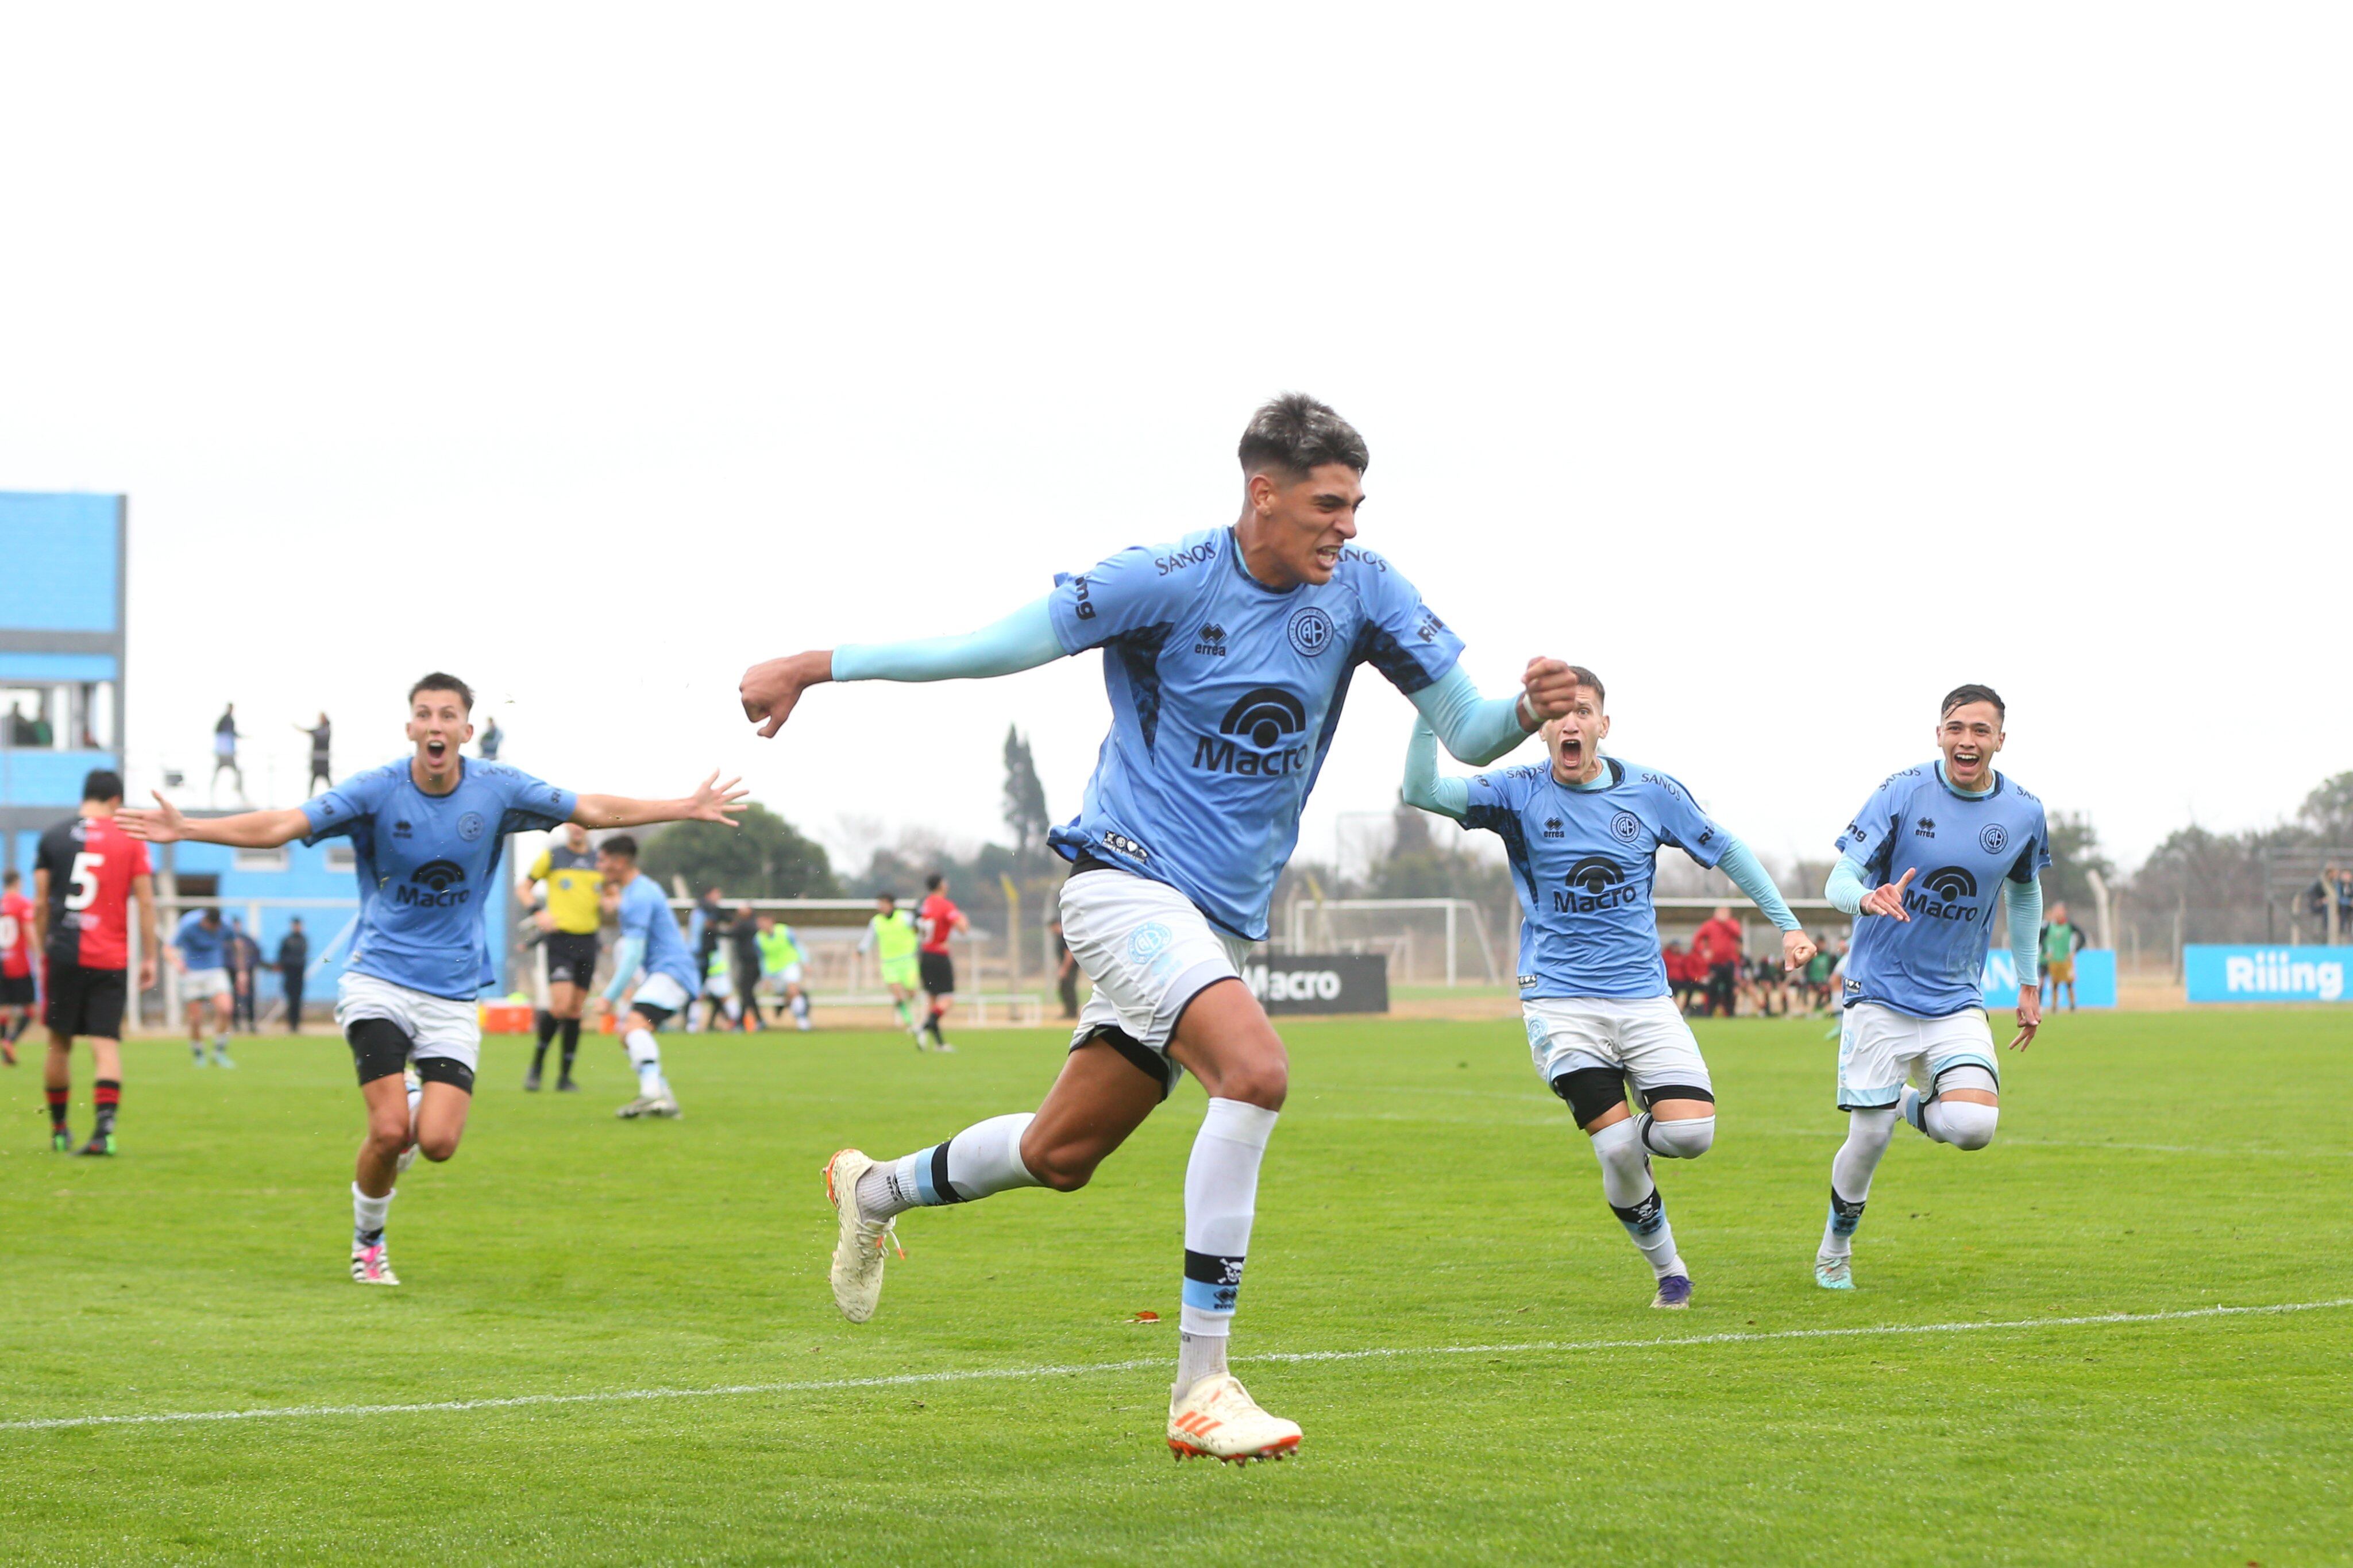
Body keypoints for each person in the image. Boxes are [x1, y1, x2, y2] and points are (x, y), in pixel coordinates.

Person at [742, 392, 1577, 1462]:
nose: (1348, 526)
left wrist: (1524, 709)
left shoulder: (1368, 590)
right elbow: (989, 646)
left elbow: (1463, 728)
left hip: (1213, 925)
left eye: (1358, 505)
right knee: (1256, 1071)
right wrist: (816, 664)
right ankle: (1203, 1385)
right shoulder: (1165, 579)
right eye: (1329, 504)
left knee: (1061, 1153)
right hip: (1121, 883)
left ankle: (873, 1190)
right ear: (1261, 492)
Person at [121, 673, 743, 1285]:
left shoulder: (499, 789)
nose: (436, 726)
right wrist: (191, 829)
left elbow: (592, 809)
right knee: (389, 1132)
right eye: (425, 714)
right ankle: (369, 1242)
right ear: (411, 727)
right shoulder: (377, 790)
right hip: (378, 981)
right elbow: (283, 824)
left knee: (439, 1143)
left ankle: (416, 1104)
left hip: (452, 989)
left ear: (467, 730)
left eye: (448, 715)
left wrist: (683, 807)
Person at [1401, 667, 1814, 1309]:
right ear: (1540, 728)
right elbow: (1421, 790)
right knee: (1616, 1145)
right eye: (1557, 714)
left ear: (1602, 724)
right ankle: (1669, 1270)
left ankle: (1635, 1145)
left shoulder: (1650, 792)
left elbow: (1726, 848)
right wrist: (1428, 707)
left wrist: (1786, 925)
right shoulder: (1515, 792)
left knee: (1691, 1137)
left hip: (1644, 999)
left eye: (1583, 711)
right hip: (1560, 1001)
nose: (1569, 724)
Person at [1813, 683, 2047, 1292]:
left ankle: (1899, 1102)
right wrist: (1867, 897)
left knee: (1972, 1128)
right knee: (1866, 1142)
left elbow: (2025, 893)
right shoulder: (1901, 792)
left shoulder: (2023, 811)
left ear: (1999, 739)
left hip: (1955, 998)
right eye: (1955, 728)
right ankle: (1835, 1247)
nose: (1966, 740)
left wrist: (2028, 981)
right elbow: (1837, 879)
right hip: (1879, 993)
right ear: (1939, 733)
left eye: (1979, 730)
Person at [32, 770, 159, 1155]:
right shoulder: (131, 840)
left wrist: (42, 949)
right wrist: (150, 956)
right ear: (116, 801)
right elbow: (147, 902)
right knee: (105, 1045)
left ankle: (59, 1130)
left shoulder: (52, 836)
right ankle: (104, 1134)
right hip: (111, 957)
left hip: (65, 953)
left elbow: (40, 903)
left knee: (58, 1044)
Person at [596, 835, 694, 1118]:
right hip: (666, 972)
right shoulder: (638, 891)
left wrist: (609, 997)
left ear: (620, 862)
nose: (599, 865)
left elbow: (633, 954)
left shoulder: (638, 897)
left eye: (603, 860)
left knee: (634, 1027)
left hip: (672, 971)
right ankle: (665, 1099)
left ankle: (652, 1095)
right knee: (627, 1035)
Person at [518, 821, 603, 1091]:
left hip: (589, 940)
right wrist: (538, 913)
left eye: (584, 824)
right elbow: (524, 888)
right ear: (567, 826)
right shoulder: (553, 856)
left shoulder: (599, 860)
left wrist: (613, 904)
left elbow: (612, 894)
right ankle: (537, 1067)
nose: (579, 829)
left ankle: (565, 1077)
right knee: (561, 1006)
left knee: (577, 1010)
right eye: (574, 824)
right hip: (561, 940)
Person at [170, 906, 237, 1067]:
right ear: (205, 921)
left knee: (226, 1009)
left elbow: (236, 944)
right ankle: (199, 1053)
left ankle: (219, 1052)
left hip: (215, 971)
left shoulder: (225, 925)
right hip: (193, 973)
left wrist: (241, 971)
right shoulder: (188, 924)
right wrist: (177, 964)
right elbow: (168, 948)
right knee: (196, 1019)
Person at [913, 873, 967, 1051]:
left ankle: (938, 1043)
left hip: (924, 954)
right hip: (939, 955)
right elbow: (962, 928)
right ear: (941, 885)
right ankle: (924, 1026)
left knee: (932, 1000)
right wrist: (963, 919)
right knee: (948, 998)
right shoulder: (945, 905)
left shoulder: (923, 903)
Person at [857, 893, 923, 1036]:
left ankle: (914, 1015)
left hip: (907, 960)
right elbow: (869, 938)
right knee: (898, 993)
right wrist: (860, 951)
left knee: (912, 992)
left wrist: (918, 921)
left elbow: (918, 931)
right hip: (889, 963)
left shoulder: (905, 917)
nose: (881, 907)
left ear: (891, 904)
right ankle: (909, 1022)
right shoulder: (876, 921)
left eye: (883, 903)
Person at [2, 868, 39, 1063]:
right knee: (31, 1009)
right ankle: (10, 1041)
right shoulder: (23, 904)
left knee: (4, 1009)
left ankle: (5, 1049)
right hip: (19, 963)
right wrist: (39, 955)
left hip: (1, 963)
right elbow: (29, 931)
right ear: (18, 882)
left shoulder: (1, 905)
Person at [757, 912, 814, 1031]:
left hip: (790, 965)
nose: (761, 925)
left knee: (793, 989)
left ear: (771, 921)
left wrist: (806, 962)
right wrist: (765, 977)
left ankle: (802, 1020)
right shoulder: (758, 938)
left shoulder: (785, 931)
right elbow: (762, 959)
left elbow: (798, 946)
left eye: (763, 922)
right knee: (788, 995)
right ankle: (785, 1005)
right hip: (774, 972)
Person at [1689, 905, 1742, 1018]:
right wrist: (1703, 951)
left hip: (1729, 963)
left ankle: (1730, 1014)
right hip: (1715, 963)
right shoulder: (1709, 925)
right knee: (1712, 988)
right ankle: (1709, 1013)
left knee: (1730, 988)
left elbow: (1737, 933)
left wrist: (1725, 923)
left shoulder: (1732, 923)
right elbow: (1697, 939)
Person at [2039, 901, 2085, 1012]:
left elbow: (2083, 937)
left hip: (2066, 960)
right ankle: (2054, 1006)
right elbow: (2040, 939)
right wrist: (2045, 952)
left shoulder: (2069, 925)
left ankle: (2073, 1005)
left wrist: (2075, 951)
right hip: (2054, 959)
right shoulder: (2050, 926)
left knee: (2069, 983)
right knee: (2055, 983)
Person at [728, 903, 768, 1030]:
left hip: (752, 964)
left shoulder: (748, 924)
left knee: (745, 992)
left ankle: (741, 1023)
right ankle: (758, 1021)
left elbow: (732, 933)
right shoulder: (747, 924)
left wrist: (712, 931)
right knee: (747, 993)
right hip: (748, 964)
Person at [276, 917, 310, 1032]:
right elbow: (281, 957)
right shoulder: (287, 940)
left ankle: (296, 1024)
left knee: (298, 1000)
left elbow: (304, 956)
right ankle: (290, 1024)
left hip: (299, 975)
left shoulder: (303, 940)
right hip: (289, 975)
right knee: (290, 999)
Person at [211, 703, 247, 805]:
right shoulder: (227, 720)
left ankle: (238, 790)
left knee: (232, 773)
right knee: (232, 773)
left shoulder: (225, 720)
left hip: (224, 753)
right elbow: (229, 734)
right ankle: (237, 791)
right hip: (226, 753)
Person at [293, 712, 333, 794]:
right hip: (316, 762)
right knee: (313, 784)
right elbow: (310, 731)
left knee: (328, 784)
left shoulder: (326, 730)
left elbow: (318, 734)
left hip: (324, 762)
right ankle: (309, 799)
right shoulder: (320, 730)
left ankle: (334, 799)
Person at [1050, 914, 1079, 1020]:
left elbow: (1069, 954)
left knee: (1069, 988)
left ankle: (1072, 1013)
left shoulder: (1064, 937)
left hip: (1070, 967)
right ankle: (1069, 1011)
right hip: (1066, 967)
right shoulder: (1058, 938)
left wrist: (1064, 969)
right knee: (1064, 988)